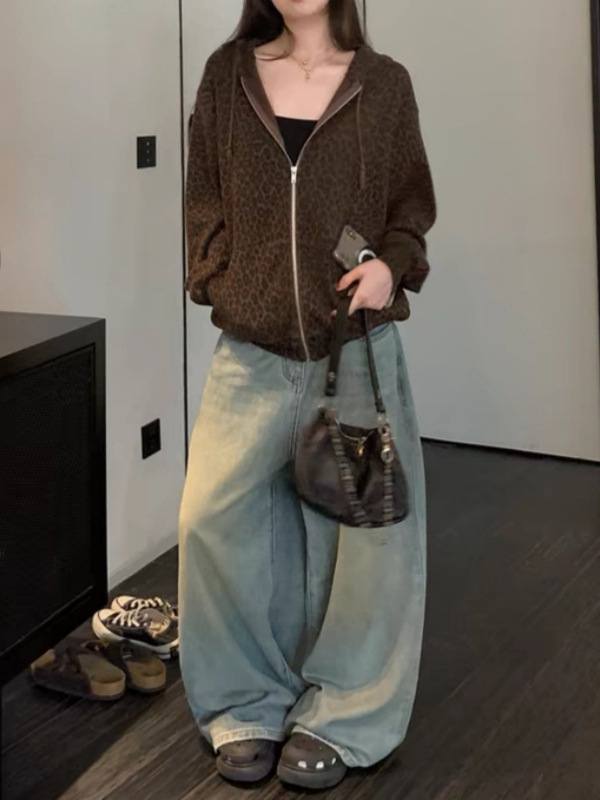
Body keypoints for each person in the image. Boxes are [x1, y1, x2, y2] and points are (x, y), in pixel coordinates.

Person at [178, 0, 436, 790]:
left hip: (354, 350)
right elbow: (203, 197)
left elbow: (410, 208)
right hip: (250, 353)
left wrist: (392, 267)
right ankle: (245, 703)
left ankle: (347, 716)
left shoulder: (385, 85)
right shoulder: (227, 76)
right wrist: (219, 279)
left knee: (365, 541)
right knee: (213, 522)